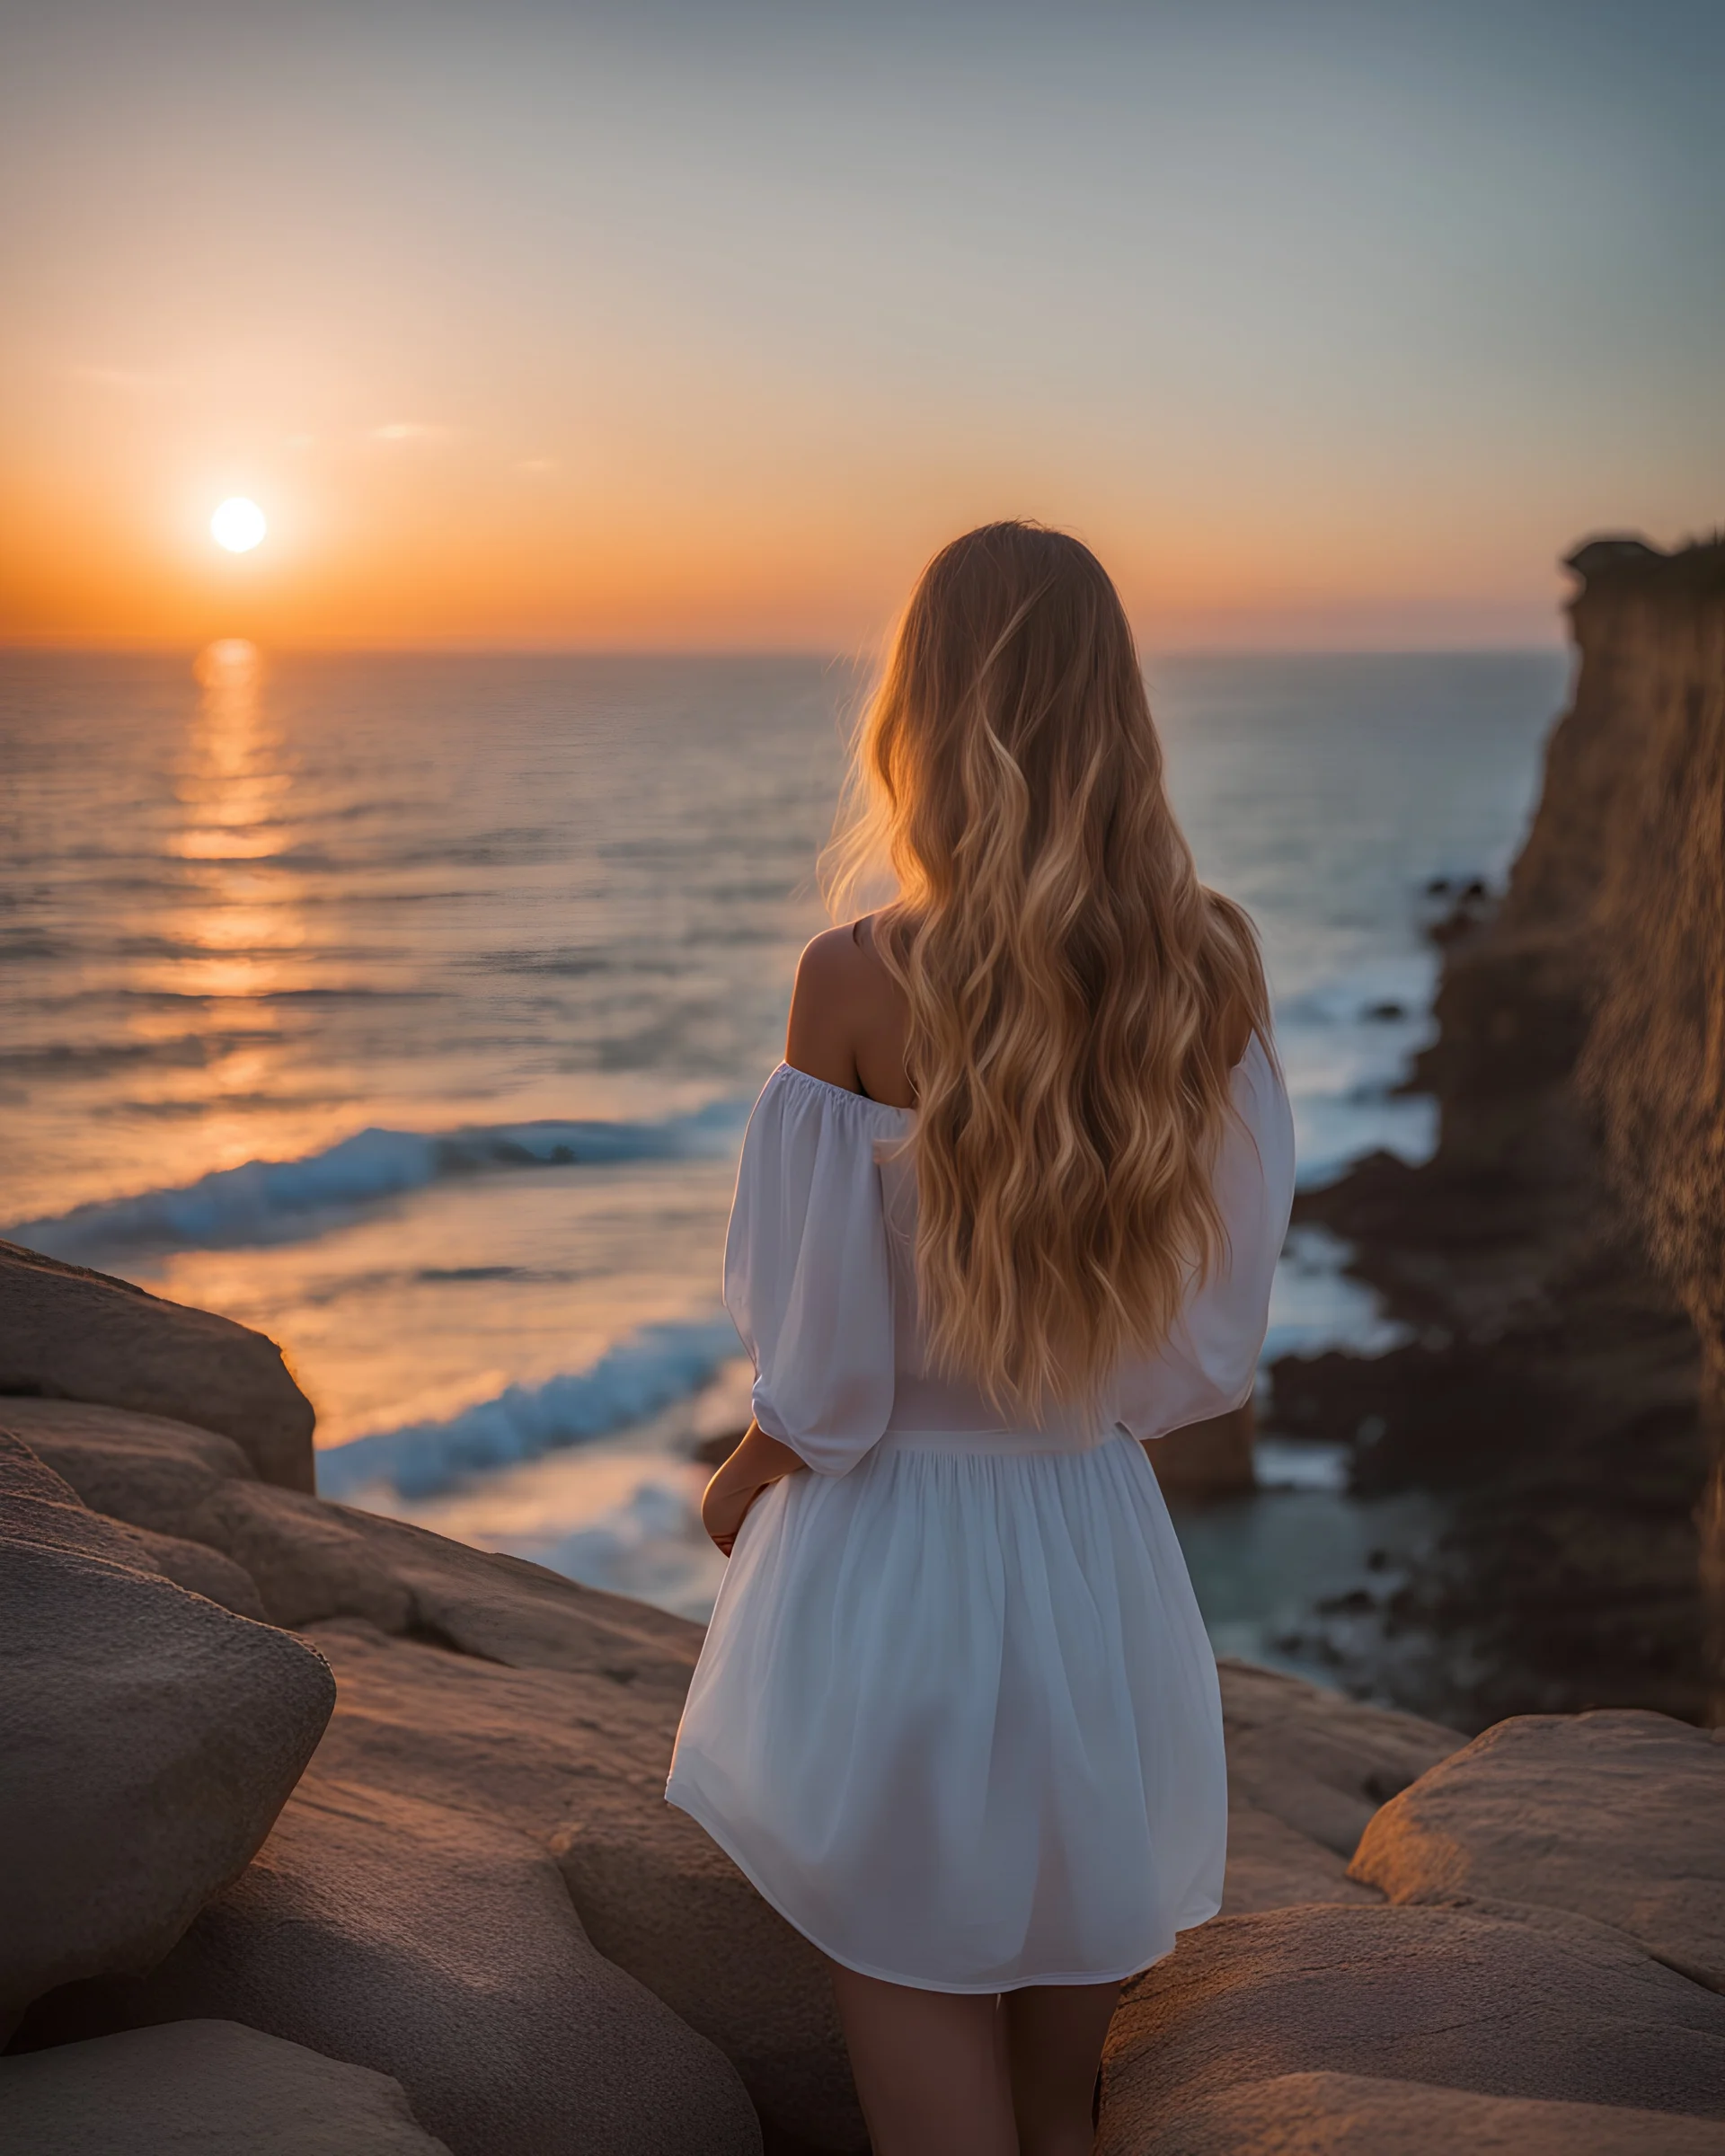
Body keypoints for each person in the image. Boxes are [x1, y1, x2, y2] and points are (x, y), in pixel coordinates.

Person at [666, 521, 1295, 2156]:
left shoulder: (856, 978)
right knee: (1056, 2099)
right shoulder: (1209, 970)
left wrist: (736, 1483)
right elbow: (1201, 1363)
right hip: (1094, 1560)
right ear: (1120, 712)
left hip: (895, 1575)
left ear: (923, 712)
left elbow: (826, 1379)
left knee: (922, 2018)